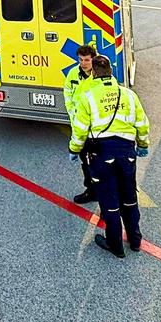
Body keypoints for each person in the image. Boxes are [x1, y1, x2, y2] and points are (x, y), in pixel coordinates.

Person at [68, 56, 150, 258]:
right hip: (126, 153)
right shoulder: (129, 95)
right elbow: (142, 124)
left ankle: (115, 245)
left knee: (109, 200)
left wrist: (74, 150)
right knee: (129, 198)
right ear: (111, 72)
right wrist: (143, 145)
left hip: (102, 155)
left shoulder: (88, 97)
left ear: (94, 73)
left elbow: (80, 130)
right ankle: (135, 240)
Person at [63, 44, 98, 204]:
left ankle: (103, 192)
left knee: (100, 163)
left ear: (93, 60)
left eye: (87, 60)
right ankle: (91, 191)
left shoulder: (99, 75)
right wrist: (72, 113)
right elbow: (67, 92)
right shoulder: (73, 73)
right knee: (86, 162)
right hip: (80, 125)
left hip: (97, 128)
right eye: (81, 60)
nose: (83, 63)